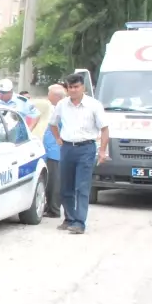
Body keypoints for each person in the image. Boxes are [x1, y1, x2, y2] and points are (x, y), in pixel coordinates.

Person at [48, 73, 109, 234]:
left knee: (81, 187)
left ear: (83, 88)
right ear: (67, 89)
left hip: (86, 148)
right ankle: (69, 218)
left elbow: (104, 129)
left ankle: (79, 222)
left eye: (76, 87)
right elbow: (53, 124)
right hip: (67, 148)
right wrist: (58, 139)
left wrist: (102, 151)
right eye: (70, 87)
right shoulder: (62, 104)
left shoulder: (94, 105)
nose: (73, 90)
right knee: (65, 186)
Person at [41, 83, 65, 218]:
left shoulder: (62, 110)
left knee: (54, 183)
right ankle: (50, 206)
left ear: (55, 96)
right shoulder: (57, 108)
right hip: (51, 150)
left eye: (49, 93)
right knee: (50, 181)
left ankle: (54, 209)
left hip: (56, 152)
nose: (47, 96)